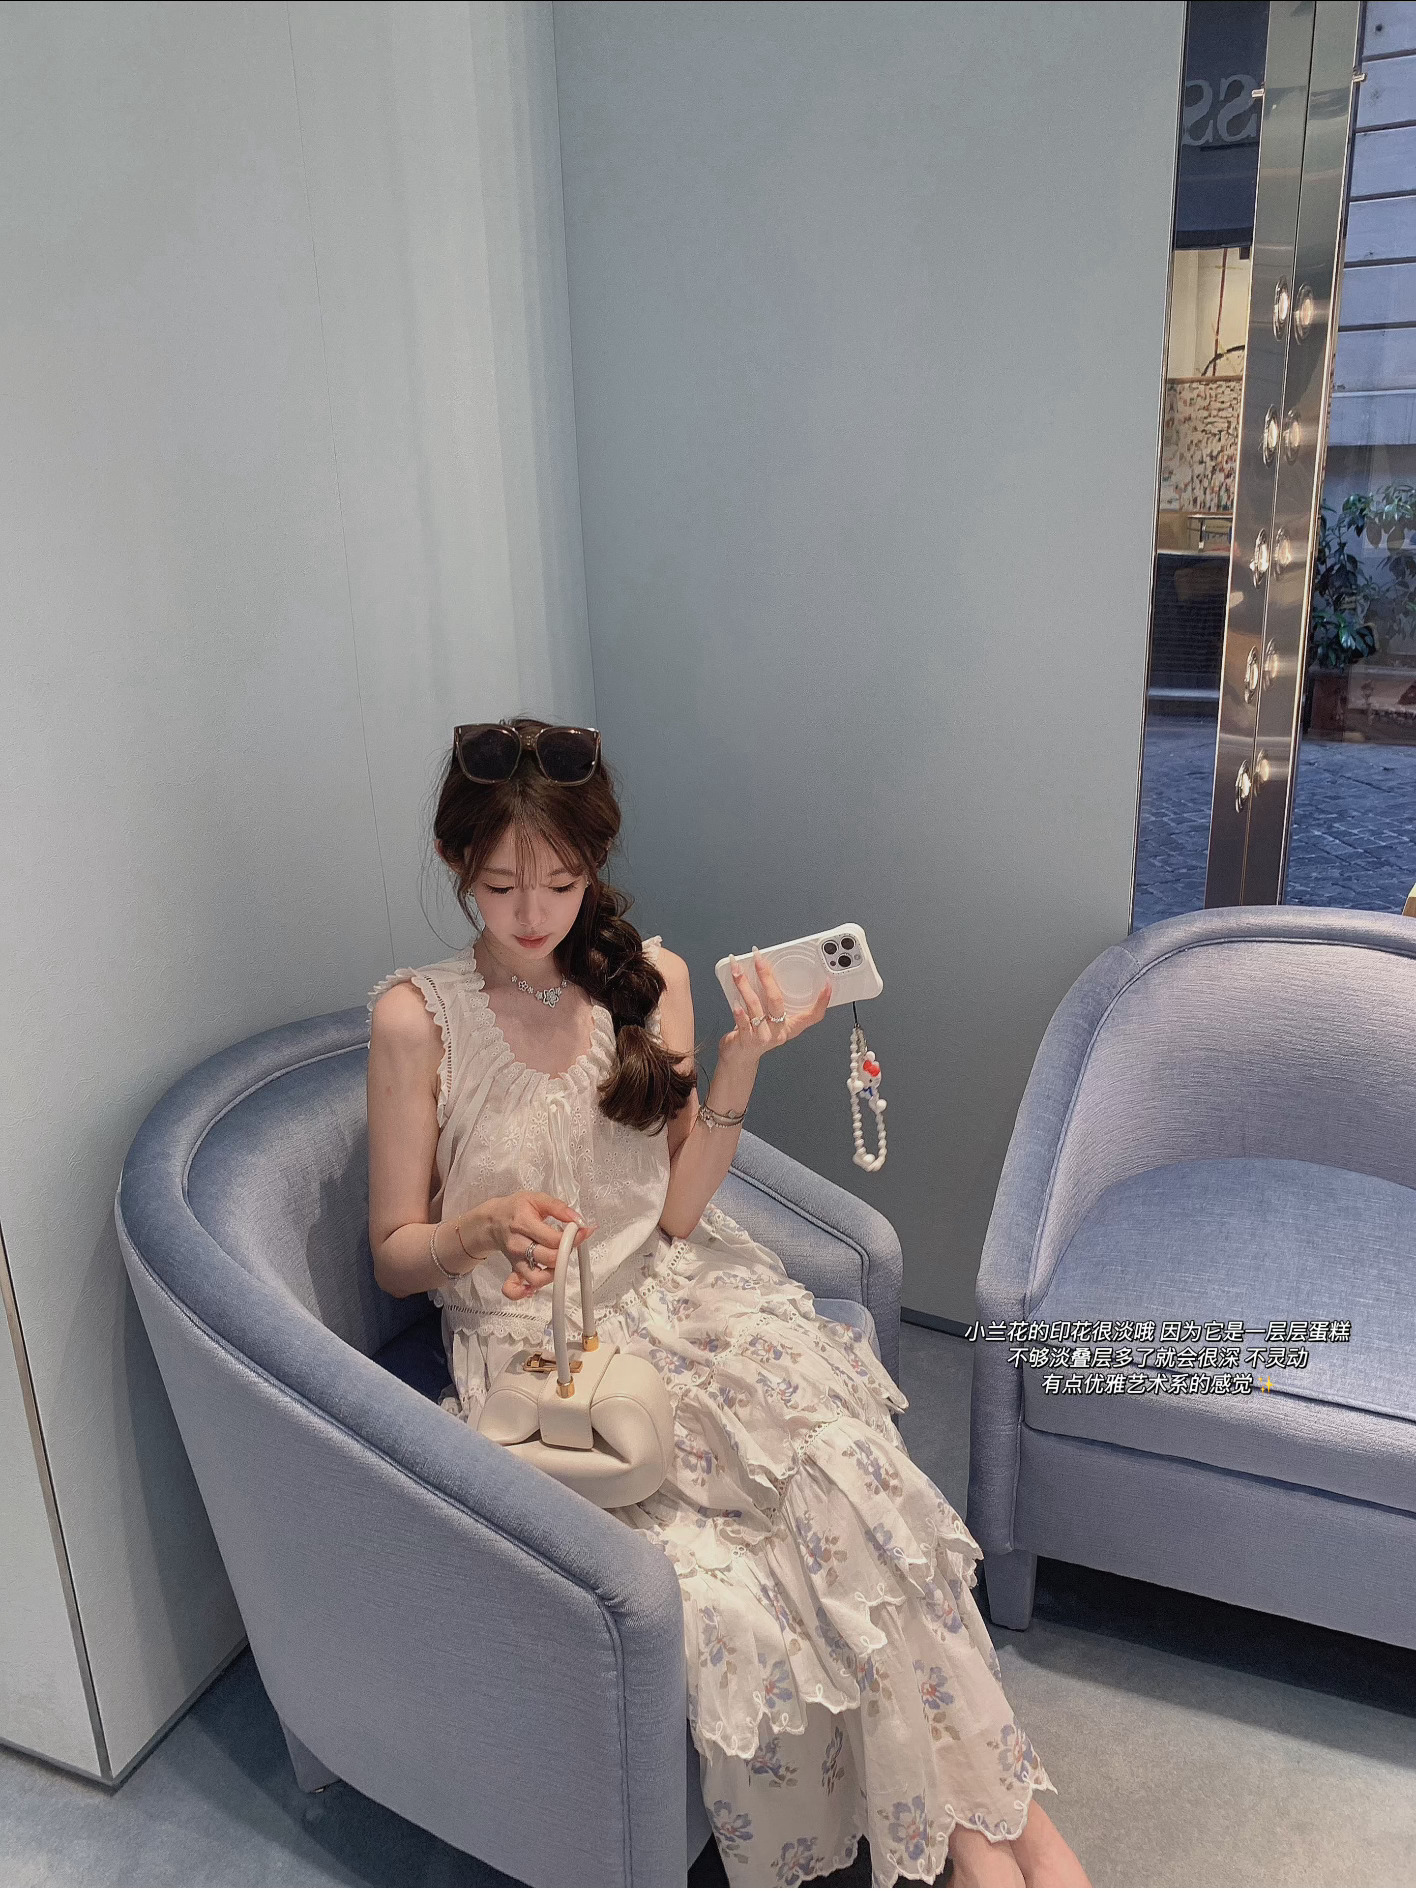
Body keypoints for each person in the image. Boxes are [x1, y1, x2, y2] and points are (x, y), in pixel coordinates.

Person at [366, 716, 1090, 1891]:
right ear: (457, 864)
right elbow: (396, 1252)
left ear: (594, 863)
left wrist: (742, 1061)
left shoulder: (649, 983)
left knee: (856, 1486)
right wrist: (477, 1227)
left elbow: (677, 1211)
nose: (533, 911)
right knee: (732, 1590)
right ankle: (994, 1849)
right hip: (544, 1360)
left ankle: (1001, 1835)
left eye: (560, 879)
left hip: (683, 1300)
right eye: (499, 884)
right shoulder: (417, 1017)